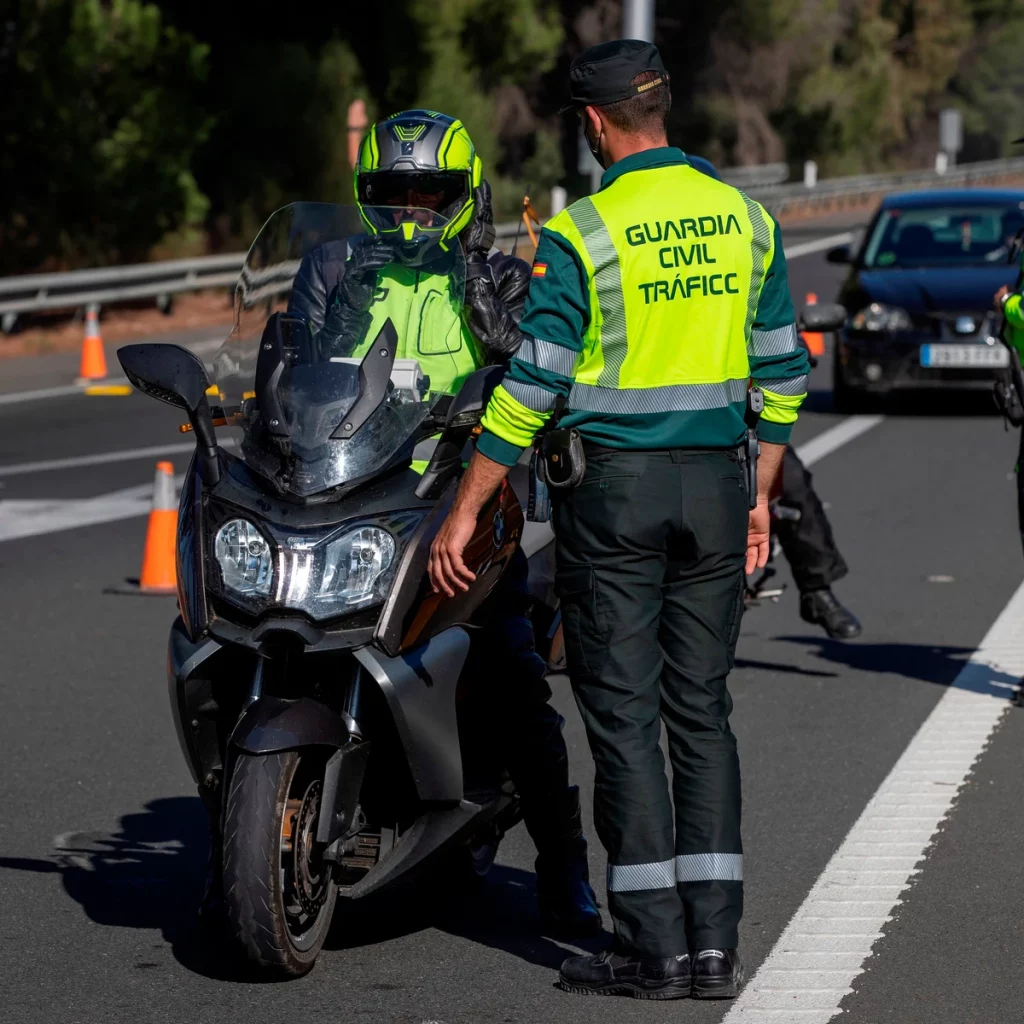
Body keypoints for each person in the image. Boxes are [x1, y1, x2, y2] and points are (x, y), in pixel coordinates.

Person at [428, 41, 809, 1000]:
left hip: (615, 502)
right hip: (719, 491)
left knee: (626, 716)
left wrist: (465, 509)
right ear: (662, 109)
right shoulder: (747, 222)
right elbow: (785, 376)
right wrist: (760, 493)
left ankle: (649, 947)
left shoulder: (583, 233)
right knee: (703, 713)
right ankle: (715, 948)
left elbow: (530, 389)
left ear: (595, 126)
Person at [201, 110, 601, 936]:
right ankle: (237, 848)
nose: (415, 210)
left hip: (456, 495)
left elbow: (531, 370)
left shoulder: (497, 275)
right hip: (343, 485)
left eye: (432, 193)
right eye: (395, 193)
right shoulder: (335, 268)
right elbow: (288, 360)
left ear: (465, 196)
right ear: (366, 197)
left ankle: (567, 870)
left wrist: (495, 319)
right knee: (240, 627)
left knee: (512, 668)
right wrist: (244, 405)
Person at [687, 156, 860, 639]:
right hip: (670, 429)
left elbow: (777, 329)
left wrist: (791, 346)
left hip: (741, 421)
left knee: (795, 486)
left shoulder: (742, 260)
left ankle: (818, 590)